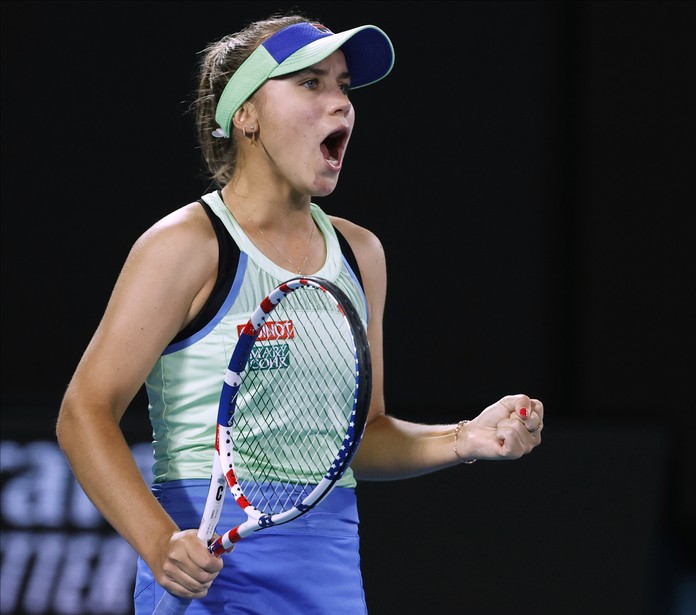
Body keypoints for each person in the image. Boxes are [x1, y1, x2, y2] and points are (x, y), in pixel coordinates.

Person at [56, 11, 544, 613]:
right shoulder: (185, 246)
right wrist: (159, 544)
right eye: (311, 82)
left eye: (342, 83)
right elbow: (84, 413)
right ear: (246, 116)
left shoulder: (361, 254)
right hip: (206, 576)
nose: (341, 103)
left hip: (330, 575)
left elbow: (360, 438)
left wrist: (465, 438)